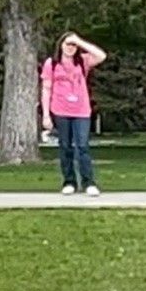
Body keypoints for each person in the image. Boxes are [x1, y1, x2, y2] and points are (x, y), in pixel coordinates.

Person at [40, 32, 107, 196]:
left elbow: (101, 55)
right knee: (65, 146)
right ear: (60, 45)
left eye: (73, 45)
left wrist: (79, 41)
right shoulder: (52, 64)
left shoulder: (83, 61)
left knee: (82, 146)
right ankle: (69, 181)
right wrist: (46, 114)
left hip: (81, 110)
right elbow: (46, 89)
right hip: (60, 110)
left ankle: (88, 182)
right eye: (67, 44)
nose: (70, 48)